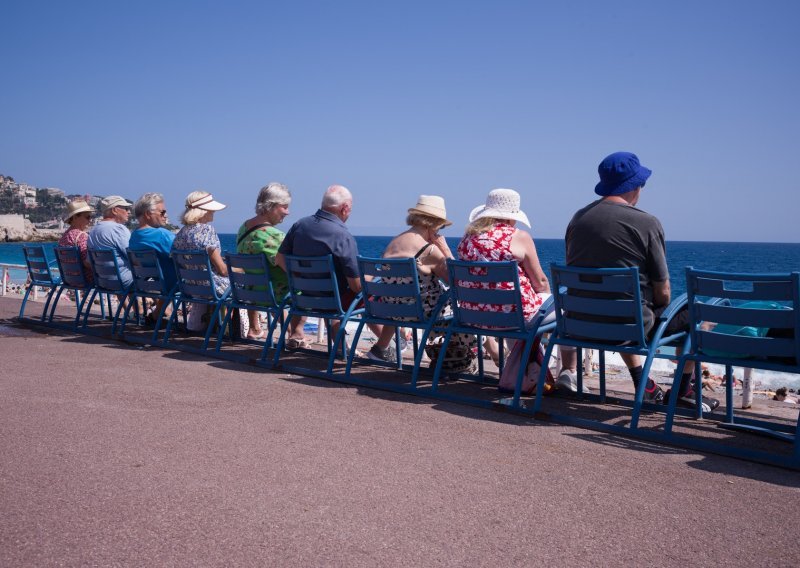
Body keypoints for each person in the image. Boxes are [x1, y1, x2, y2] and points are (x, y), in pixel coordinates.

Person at [562, 151, 718, 412]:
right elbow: (664, 291)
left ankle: (644, 386)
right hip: (627, 325)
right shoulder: (646, 222)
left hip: (579, 324)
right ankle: (682, 390)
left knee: (625, 306)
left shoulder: (577, 219)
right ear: (635, 186)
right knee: (701, 316)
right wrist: (659, 305)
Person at [372, 195, 477, 369]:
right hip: (422, 313)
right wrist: (446, 250)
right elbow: (458, 282)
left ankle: (380, 349)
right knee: (466, 305)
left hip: (392, 311)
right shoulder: (428, 250)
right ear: (433, 223)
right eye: (441, 226)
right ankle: (493, 356)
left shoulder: (393, 243)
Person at [276, 184, 382, 351]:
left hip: (304, 297)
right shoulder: (342, 235)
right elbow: (356, 286)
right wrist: (373, 277)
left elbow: (279, 258)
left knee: (337, 293)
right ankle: (387, 345)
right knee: (371, 296)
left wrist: (297, 277)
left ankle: (341, 347)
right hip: (333, 301)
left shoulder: (300, 226)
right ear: (345, 208)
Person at [457, 188, 551, 364]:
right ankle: (562, 369)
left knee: (510, 309)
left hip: (473, 316)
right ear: (511, 217)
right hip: (514, 318)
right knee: (557, 309)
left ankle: (517, 365)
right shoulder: (519, 237)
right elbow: (541, 282)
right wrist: (547, 297)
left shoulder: (467, 239)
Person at [236, 182, 291, 340]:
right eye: (284, 207)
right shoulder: (274, 235)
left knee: (265, 278)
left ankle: (254, 328)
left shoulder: (243, 228)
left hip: (251, 293)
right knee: (305, 287)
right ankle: (295, 333)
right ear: (271, 206)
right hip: (274, 295)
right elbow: (289, 268)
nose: (288, 212)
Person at [172, 191, 230, 331]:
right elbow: (222, 270)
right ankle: (240, 330)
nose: (214, 212)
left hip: (191, 288)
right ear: (203, 211)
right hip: (212, 288)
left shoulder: (181, 233)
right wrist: (240, 269)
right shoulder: (207, 230)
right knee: (244, 284)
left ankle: (205, 325)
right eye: (211, 209)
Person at [129, 192, 176, 323]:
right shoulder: (162, 235)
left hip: (150, 283)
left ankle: (157, 314)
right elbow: (184, 256)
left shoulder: (134, 236)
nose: (165, 215)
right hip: (174, 284)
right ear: (148, 214)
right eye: (162, 212)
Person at [87, 195, 134, 288]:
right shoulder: (118, 229)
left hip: (102, 282)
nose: (129, 212)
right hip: (124, 281)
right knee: (159, 278)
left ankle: (137, 303)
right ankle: (159, 303)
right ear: (115, 210)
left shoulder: (93, 231)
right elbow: (133, 256)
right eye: (126, 208)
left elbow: (89, 261)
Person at [58, 199, 95, 283]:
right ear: (75, 217)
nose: (90, 220)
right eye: (87, 217)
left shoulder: (63, 237)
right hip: (85, 279)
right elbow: (87, 263)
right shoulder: (81, 236)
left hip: (69, 279)